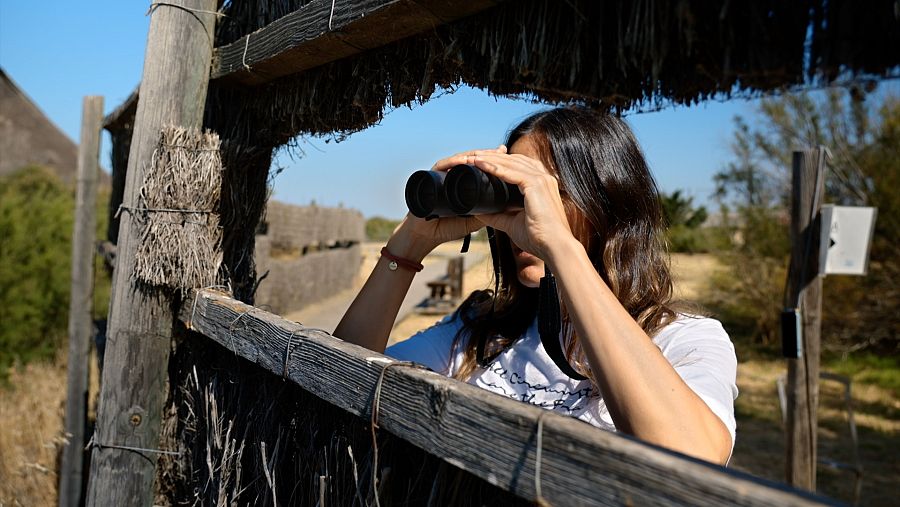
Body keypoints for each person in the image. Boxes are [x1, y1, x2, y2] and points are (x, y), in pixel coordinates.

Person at [334, 107, 737, 465]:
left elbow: (692, 457)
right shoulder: (480, 329)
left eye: (545, 192)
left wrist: (561, 247)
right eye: (513, 193)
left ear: (609, 201)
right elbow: (339, 379)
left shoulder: (685, 341)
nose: (524, 214)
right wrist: (411, 241)